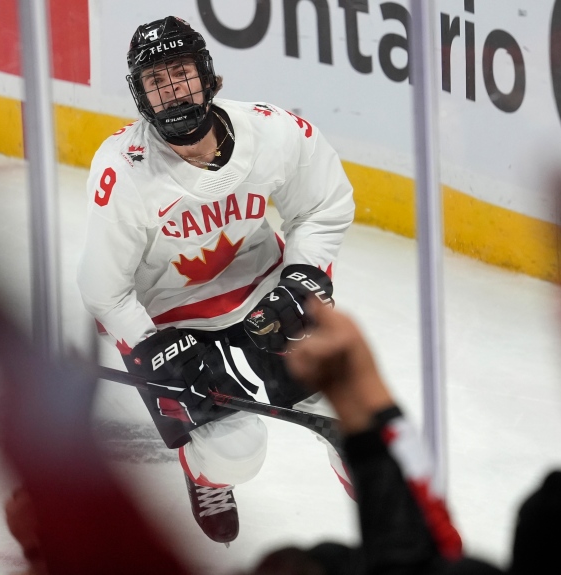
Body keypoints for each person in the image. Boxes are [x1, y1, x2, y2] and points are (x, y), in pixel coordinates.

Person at [77, 15, 356, 543]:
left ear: (207, 76)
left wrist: (303, 276)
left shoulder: (271, 130)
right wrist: (148, 347)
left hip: (263, 289)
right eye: (155, 82)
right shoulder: (123, 170)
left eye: (179, 74)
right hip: (171, 313)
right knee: (237, 449)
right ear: (140, 97)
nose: (172, 92)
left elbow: (323, 204)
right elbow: (103, 288)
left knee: (355, 413)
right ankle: (202, 469)